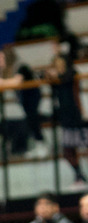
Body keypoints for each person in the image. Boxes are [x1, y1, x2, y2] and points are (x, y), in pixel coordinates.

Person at [45, 37, 88, 189]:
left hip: (78, 115)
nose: (58, 67)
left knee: (82, 144)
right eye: (56, 65)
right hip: (66, 118)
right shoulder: (57, 80)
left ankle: (80, 176)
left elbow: (66, 77)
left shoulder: (72, 74)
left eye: (60, 64)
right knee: (68, 149)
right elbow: (48, 78)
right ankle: (79, 176)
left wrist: (58, 54)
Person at [0, 46, 47, 159]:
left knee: (32, 119)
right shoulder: (6, 70)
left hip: (31, 96)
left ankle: (42, 145)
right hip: (23, 98)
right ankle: (39, 144)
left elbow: (16, 82)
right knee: (30, 120)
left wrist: (1, 82)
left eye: (1, 58)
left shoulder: (20, 66)